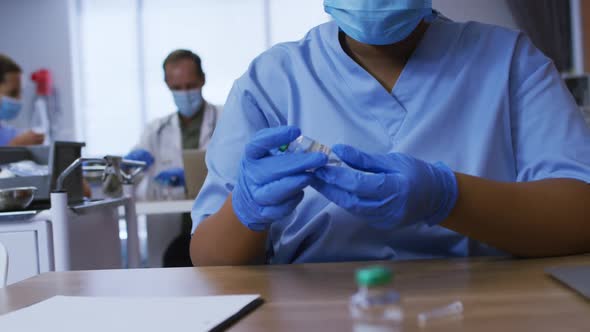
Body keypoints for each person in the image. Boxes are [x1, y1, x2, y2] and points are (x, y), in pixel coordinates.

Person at [189, 0, 590, 266]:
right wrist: (245, 212)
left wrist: (446, 196)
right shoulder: (270, 82)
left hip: (492, 306)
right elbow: (208, 258)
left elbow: (580, 214)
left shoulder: (510, 62)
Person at [126, 49, 222, 267]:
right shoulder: (155, 130)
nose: (185, 93)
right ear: (167, 85)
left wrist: (194, 177)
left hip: (214, 224)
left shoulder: (226, 119)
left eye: (190, 86)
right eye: (177, 88)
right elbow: (131, 179)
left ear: (203, 79)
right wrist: (131, 165)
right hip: (170, 231)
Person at [0, 54, 44, 146]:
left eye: (20, 92)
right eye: (12, 93)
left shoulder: (11, 134)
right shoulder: (16, 140)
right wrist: (13, 147)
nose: (19, 99)